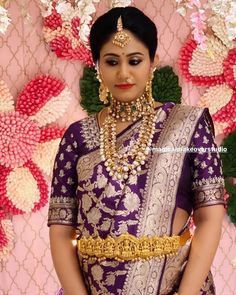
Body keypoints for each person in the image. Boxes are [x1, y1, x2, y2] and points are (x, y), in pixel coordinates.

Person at [47, 6, 225, 295]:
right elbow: (60, 229)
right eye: (112, 61)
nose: (123, 72)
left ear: (152, 62)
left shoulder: (187, 125)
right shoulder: (77, 137)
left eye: (135, 60)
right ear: (97, 65)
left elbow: (210, 216)